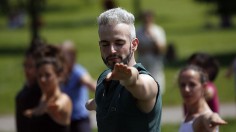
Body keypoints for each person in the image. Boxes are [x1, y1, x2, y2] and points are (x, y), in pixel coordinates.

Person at [86, 7, 162, 132]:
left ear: (134, 45)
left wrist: (130, 80)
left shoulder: (146, 80)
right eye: (105, 44)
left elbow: (143, 87)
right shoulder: (104, 78)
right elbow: (102, 103)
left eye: (119, 43)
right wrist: (90, 104)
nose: (111, 50)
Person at [24, 44, 72, 132]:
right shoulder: (42, 99)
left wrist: (35, 112)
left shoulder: (64, 99)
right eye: (39, 76)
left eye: (47, 75)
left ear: (58, 76)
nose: (42, 79)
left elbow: (59, 105)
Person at [60, 40, 97, 132]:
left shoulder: (78, 72)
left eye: (64, 56)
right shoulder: (60, 73)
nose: (60, 59)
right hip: (64, 119)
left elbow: (90, 84)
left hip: (79, 119)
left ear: (72, 56)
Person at [178, 65, 227, 132]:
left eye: (192, 84)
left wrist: (212, 118)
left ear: (203, 87)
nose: (186, 89)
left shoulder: (201, 118)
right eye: (182, 85)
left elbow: (206, 118)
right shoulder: (190, 114)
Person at [136, 10, 167, 94]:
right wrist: (149, 48)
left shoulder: (158, 30)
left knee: (157, 81)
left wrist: (152, 37)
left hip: (155, 61)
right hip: (142, 60)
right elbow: (137, 48)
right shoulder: (138, 31)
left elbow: (161, 48)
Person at [15, 42, 43, 132]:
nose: (27, 70)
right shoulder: (27, 87)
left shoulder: (41, 91)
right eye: (25, 65)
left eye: (30, 66)